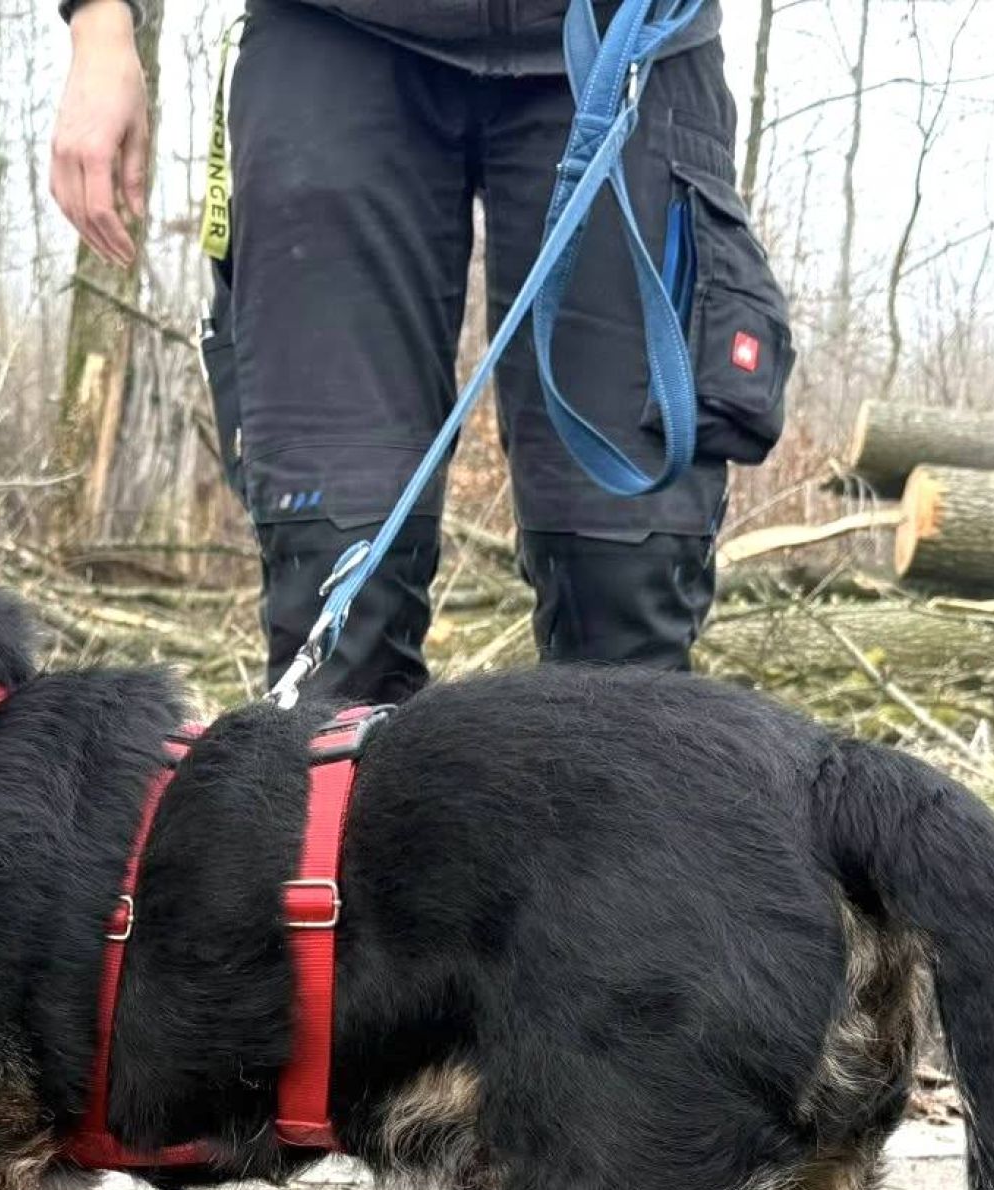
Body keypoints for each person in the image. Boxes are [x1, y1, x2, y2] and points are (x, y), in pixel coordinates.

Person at [50, 0, 794, 704]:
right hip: (330, 37)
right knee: (336, 601)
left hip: (631, 37)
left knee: (625, 610)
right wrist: (101, 24)